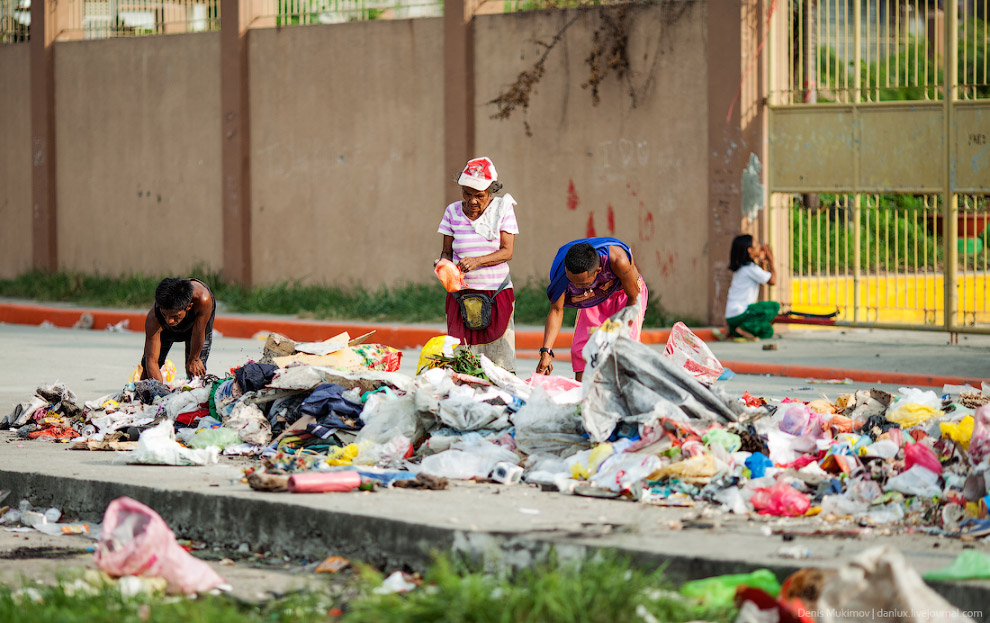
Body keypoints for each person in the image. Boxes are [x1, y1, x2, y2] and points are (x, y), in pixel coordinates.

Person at [436, 157, 519, 371]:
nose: (472, 201)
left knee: (499, 358)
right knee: (461, 357)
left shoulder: (503, 209)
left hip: (495, 293)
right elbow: (447, 251)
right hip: (461, 295)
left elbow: (507, 251)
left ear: (490, 192)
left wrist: (477, 261)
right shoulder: (452, 212)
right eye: (467, 194)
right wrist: (444, 267)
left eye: (479, 196)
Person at [535, 237, 647, 380]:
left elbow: (634, 298)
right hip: (593, 298)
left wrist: (618, 331)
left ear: (598, 271)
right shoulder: (562, 273)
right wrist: (546, 351)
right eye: (572, 282)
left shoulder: (619, 261)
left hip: (626, 297)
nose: (576, 287)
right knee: (582, 350)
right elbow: (556, 310)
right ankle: (583, 397)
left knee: (623, 352)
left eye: (582, 283)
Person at [141, 277, 216, 382]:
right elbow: (152, 361)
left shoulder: (203, 300)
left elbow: (198, 332)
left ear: (189, 306)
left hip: (196, 326)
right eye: (165, 315)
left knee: (195, 371)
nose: (169, 321)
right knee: (147, 374)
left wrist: (194, 359)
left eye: (175, 316)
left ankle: (194, 393)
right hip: (165, 330)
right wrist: (159, 392)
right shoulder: (154, 318)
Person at [716, 234, 780, 341]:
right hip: (742, 313)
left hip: (731, 317)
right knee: (774, 307)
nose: (760, 247)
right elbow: (772, 281)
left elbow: (762, 277)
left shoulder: (741, 269)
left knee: (768, 331)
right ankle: (744, 328)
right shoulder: (750, 269)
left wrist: (762, 263)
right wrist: (771, 260)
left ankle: (735, 331)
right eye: (757, 245)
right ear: (750, 251)